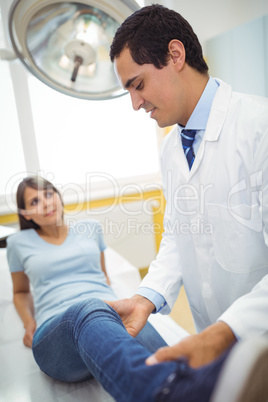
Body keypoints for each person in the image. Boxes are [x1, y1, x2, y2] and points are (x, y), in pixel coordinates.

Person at [6, 176, 268, 402]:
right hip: (58, 329)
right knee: (88, 306)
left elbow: (103, 277)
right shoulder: (18, 243)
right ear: (26, 213)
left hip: (105, 315)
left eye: (49, 194)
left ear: (58, 196)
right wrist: (29, 322)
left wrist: (111, 301)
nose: (46, 203)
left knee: (110, 311)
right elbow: (19, 292)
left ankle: (209, 383)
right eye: (34, 202)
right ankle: (166, 393)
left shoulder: (89, 228)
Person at [108, 3, 268, 371]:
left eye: (139, 84)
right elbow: (180, 235)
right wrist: (147, 297)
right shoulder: (170, 149)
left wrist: (225, 332)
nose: (135, 104)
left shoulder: (259, 129)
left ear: (175, 55)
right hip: (210, 342)